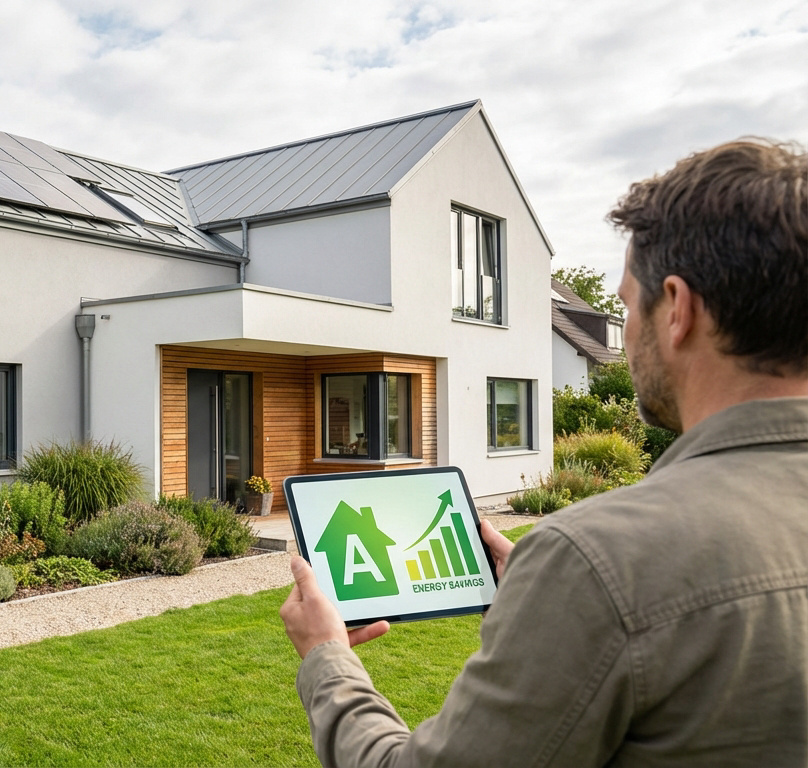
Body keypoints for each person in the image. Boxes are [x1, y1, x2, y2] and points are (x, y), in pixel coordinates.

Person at [280, 138, 808, 767]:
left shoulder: (603, 562)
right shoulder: (595, 573)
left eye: (626, 307)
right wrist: (549, 607)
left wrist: (325, 658)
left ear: (679, 310)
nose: (626, 332)